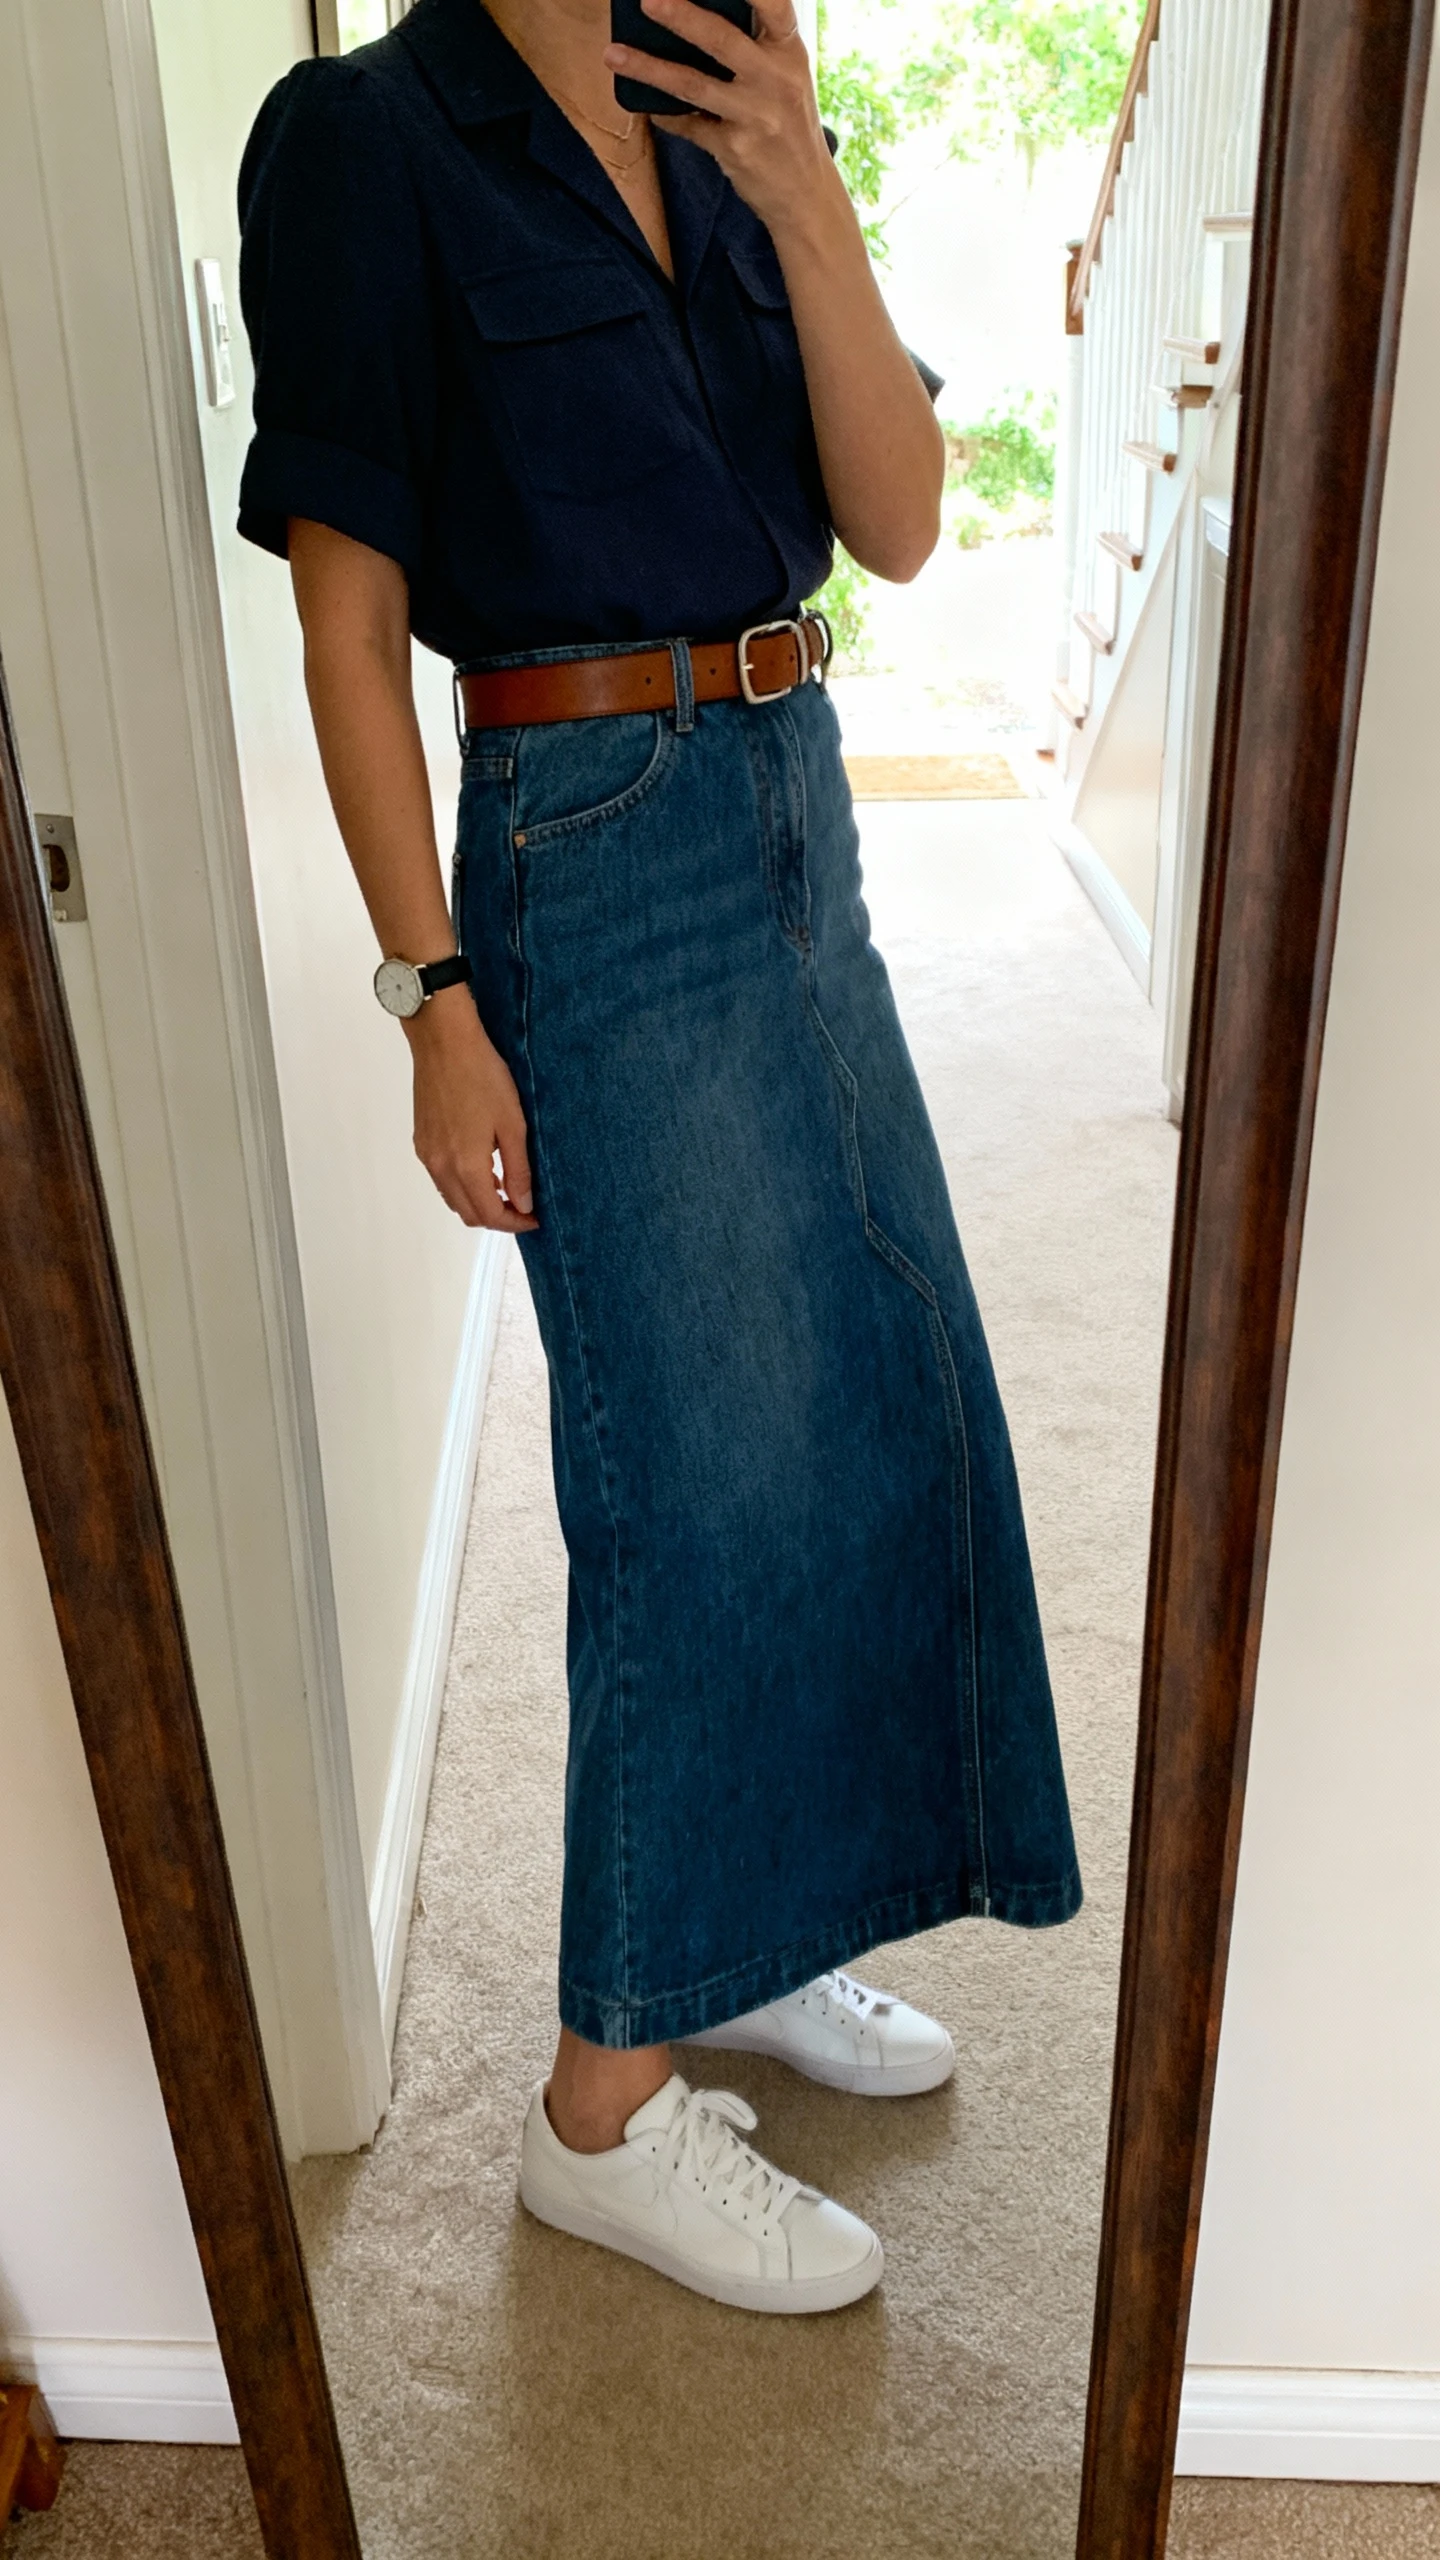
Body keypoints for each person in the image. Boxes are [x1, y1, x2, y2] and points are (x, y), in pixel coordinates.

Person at [237, 0, 1080, 2317]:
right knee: (693, 1474)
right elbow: (348, 613)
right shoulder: (365, 139)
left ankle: (740, 1936)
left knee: (867, 1413)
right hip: (590, 846)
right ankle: (596, 2109)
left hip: (798, 803)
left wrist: (808, 183)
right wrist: (433, 997)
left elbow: (897, 521)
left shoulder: (730, 106)